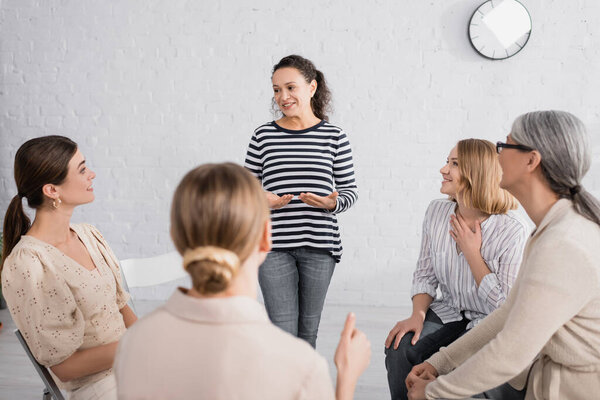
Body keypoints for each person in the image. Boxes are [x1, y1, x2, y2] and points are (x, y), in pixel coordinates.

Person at [114, 162, 371, 400]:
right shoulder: (300, 364)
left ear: (176, 238)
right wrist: (346, 379)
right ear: (265, 238)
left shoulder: (133, 343)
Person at [406, 110, 600, 400]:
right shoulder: (550, 229)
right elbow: (510, 313)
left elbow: (511, 350)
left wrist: (433, 393)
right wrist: (438, 363)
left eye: (505, 145)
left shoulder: (561, 242)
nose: (496, 155)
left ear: (531, 161)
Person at [384, 139, 529, 400]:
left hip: (489, 323)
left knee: (463, 373)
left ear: (477, 173)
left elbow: (505, 307)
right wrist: (417, 314)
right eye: (447, 161)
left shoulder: (512, 231)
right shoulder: (436, 212)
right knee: (401, 346)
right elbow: (425, 274)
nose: (443, 169)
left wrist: (473, 254)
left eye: (454, 164)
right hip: (450, 311)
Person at [1, 135, 136, 400]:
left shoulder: (89, 235)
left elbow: (121, 306)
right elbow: (65, 368)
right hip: (99, 386)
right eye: (83, 169)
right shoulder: (29, 263)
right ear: (52, 190)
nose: (92, 174)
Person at [244, 54, 359, 348]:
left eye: (290, 87)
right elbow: (243, 189)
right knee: (281, 333)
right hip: (272, 246)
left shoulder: (334, 136)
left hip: (320, 245)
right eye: (276, 89)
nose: (283, 96)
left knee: (308, 333)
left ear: (311, 87)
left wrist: (330, 204)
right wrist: (263, 201)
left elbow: (349, 191)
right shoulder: (263, 135)